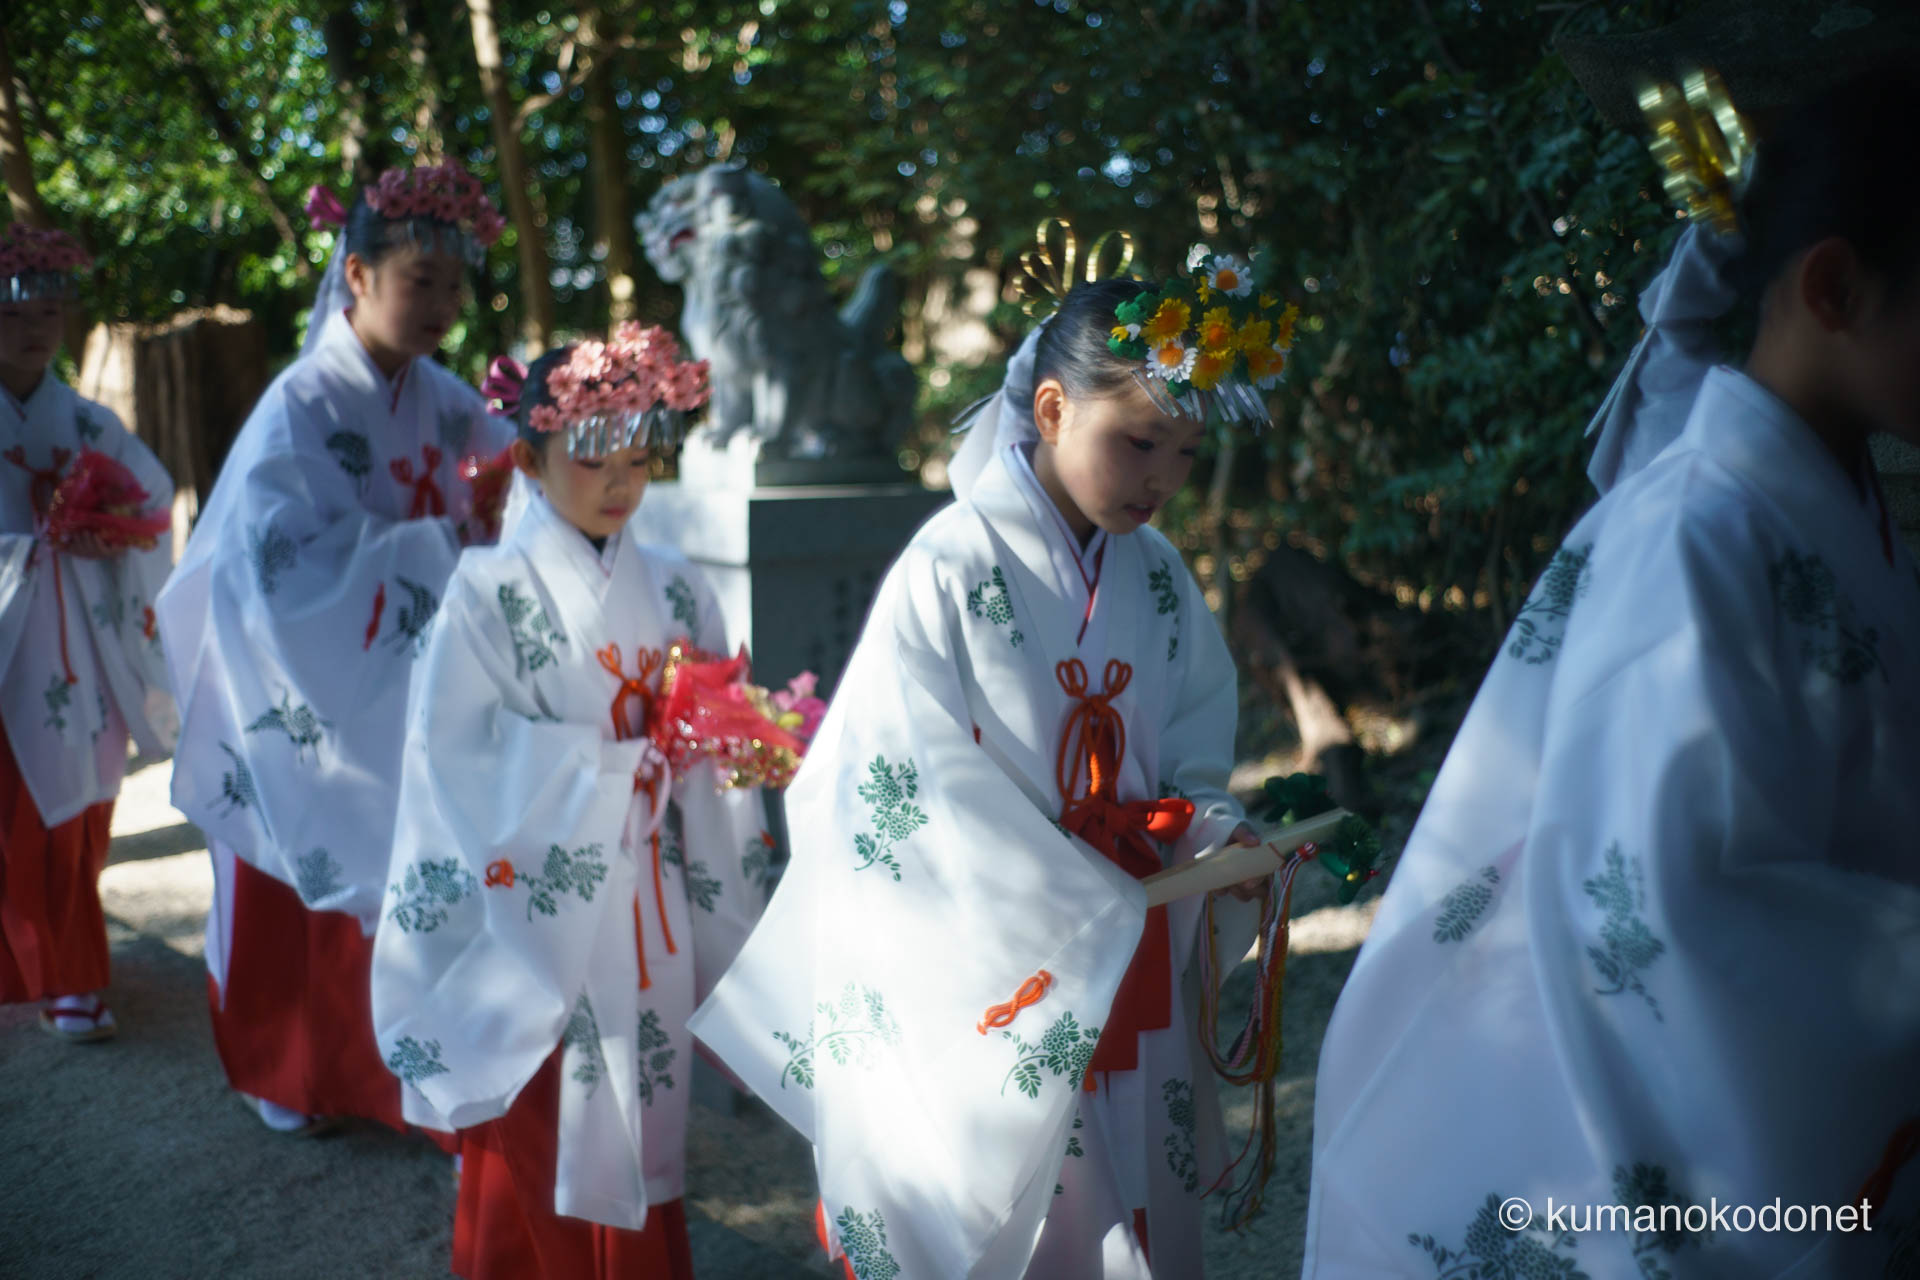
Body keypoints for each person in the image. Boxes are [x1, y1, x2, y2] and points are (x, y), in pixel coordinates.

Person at [1303, 66, 1920, 1277]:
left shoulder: (1808, 502)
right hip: (1624, 1113)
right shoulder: (1697, 533)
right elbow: (1672, 907)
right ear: (1834, 287)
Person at [690, 254, 1302, 1277]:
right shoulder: (950, 561)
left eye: (1186, 453)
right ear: (1053, 407)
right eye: (1140, 440)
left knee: (1136, 1203)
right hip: (995, 953)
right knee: (1021, 1212)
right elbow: (885, 780)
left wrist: (1209, 826)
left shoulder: (1156, 577)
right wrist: (1058, 881)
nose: (1161, 475)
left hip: (1133, 931)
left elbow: (1193, 738)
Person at [370, 328, 779, 1279]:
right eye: (591, 459)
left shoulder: (678, 588)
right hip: (540, 907)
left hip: (649, 899)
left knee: (647, 1104)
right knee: (541, 1116)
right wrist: (613, 773)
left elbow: (716, 745)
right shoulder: (487, 590)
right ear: (528, 458)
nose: (619, 484)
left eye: (639, 459)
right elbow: (456, 756)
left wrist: (726, 745)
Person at [155, 163, 512, 1135]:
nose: (440, 303)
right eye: (417, 280)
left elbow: (514, 493)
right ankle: (292, 1071)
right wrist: (441, 547)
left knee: (423, 875)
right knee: (294, 863)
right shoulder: (300, 403)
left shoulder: (442, 396)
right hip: (290, 673)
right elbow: (278, 563)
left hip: (410, 678)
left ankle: (412, 1078)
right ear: (355, 274)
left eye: (452, 283)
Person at [0, 221, 175, 1042]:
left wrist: (117, 533)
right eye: (14, 311)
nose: (35, 329)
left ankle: (71, 976)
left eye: (49, 311)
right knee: (17, 817)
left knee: (78, 817)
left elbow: (152, 500)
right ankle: (35, 969)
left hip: (87, 648)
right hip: (12, 650)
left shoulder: (90, 424)